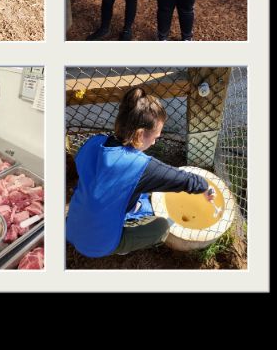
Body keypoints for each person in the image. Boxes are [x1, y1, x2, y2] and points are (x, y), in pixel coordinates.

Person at [67, 87, 215, 257]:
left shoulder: (93, 143)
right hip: (98, 244)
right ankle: (121, 247)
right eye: (155, 137)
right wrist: (204, 186)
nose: (153, 143)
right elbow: (182, 179)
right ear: (140, 135)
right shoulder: (139, 166)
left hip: (73, 225)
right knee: (162, 227)